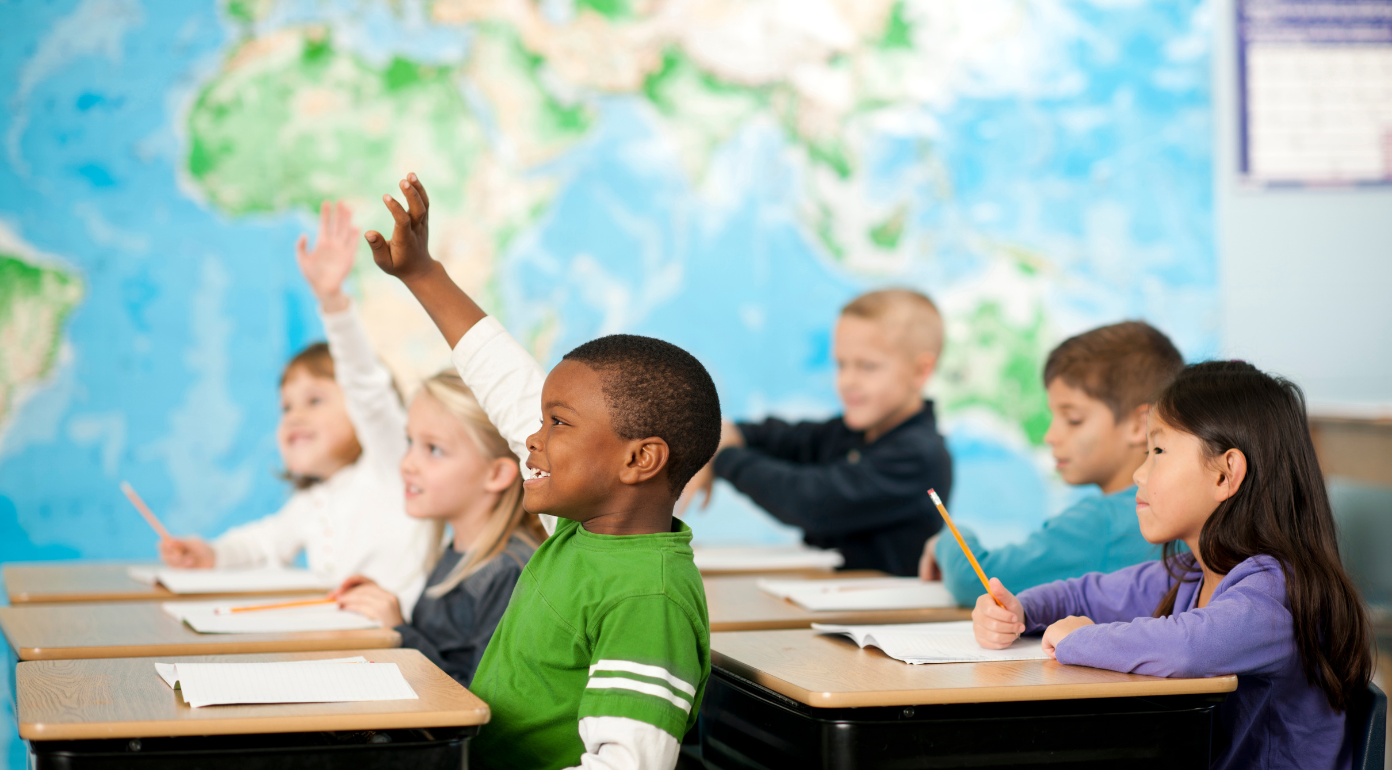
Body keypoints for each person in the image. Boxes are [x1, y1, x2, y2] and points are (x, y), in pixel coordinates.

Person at [365, 172, 720, 770]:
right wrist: (423, 274)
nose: (530, 436)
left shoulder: (646, 596)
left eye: (557, 423)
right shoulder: (587, 535)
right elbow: (505, 381)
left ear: (639, 460)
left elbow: (628, 766)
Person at [973, 361, 1374, 770]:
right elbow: (1084, 594)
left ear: (1225, 474)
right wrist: (1020, 610)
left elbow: (1188, 648)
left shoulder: (1276, 592)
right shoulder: (1193, 571)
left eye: (1158, 452)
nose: (1138, 473)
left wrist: (1081, 639)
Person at [158, 201, 432, 615]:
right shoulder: (312, 503)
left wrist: (332, 300)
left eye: (316, 400)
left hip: (400, 655)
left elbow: (368, 393)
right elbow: (261, 543)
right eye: (286, 407)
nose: (295, 416)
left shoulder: (392, 471)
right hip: (341, 650)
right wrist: (209, 553)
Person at [684, 289, 951, 576]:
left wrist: (722, 456)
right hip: (831, 602)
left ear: (920, 371)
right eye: (841, 364)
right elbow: (784, 437)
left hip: (891, 616)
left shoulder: (920, 455)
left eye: (868, 366)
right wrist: (728, 432)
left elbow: (810, 501)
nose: (847, 381)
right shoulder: (848, 432)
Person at [921, 321, 1184, 605]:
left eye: (1073, 420)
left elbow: (976, 580)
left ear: (1140, 425)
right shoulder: (1185, 511)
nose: (1050, 436)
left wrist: (947, 540)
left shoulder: (1101, 522)